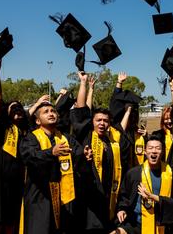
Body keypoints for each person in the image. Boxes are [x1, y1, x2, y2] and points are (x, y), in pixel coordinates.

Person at [70, 71, 131, 233]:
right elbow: (81, 111)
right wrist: (83, 83)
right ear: (93, 122)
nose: (102, 123)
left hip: (109, 198)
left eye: (106, 121)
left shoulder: (114, 143)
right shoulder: (86, 135)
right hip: (88, 199)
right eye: (99, 120)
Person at [19, 99, 84, 233]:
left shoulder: (66, 138)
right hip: (40, 195)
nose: (51, 113)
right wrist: (51, 152)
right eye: (46, 112)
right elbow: (29, 156)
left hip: (63, 195)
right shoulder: (31, 138)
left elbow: (78, 154)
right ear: (37, 121)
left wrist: (86, 155)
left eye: (53, 111)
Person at [0, 58, 27, 234]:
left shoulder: (26, 133)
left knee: (12, 219)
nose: (17, 110)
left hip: (16, 182)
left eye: (20, 108)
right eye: (13, 108)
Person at [112, 134, 173, 234]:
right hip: (136, 222)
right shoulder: (134, 173)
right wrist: (122, 209)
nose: (154, 151)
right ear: (145, 151)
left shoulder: (171, 173)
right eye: (150, 148)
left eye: (158, 148)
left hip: (161, 224)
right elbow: (124, 196)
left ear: (162, 152)